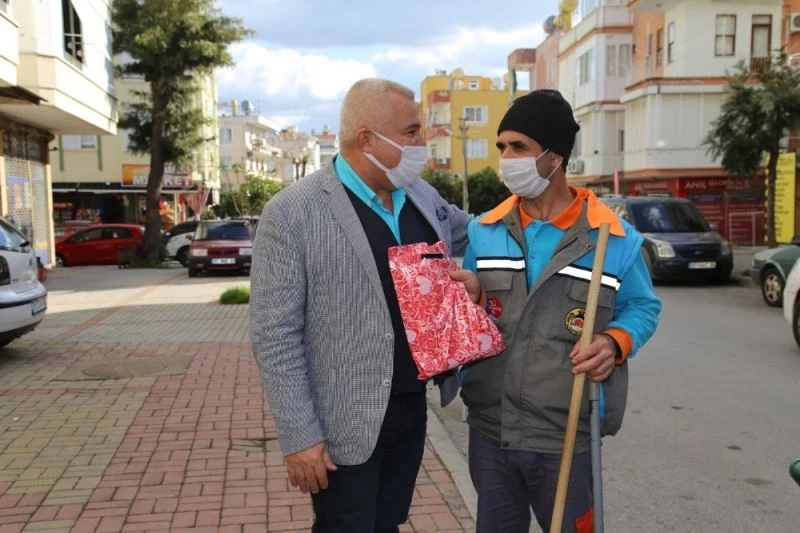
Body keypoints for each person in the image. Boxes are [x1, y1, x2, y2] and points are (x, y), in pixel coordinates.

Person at [250, 78, 475, 533]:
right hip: (340, 424)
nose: (422, 143)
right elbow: (274, 336)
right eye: (411, 132)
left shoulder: (421, 196)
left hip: (410, 410)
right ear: (367, 139)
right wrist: (301, 437)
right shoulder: (294, 211)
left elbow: (479, 234)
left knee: (388, 522)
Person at [459, 89, 662, 533]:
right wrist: (470, 297)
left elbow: (642, 307)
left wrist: (615, 341)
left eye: (519, 147)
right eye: (502, 147)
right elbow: (476, 316)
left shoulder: (614, 238)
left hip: (565, 435)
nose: (505, 157)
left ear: (555, 156)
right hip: (491, 430)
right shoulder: (484, 231)